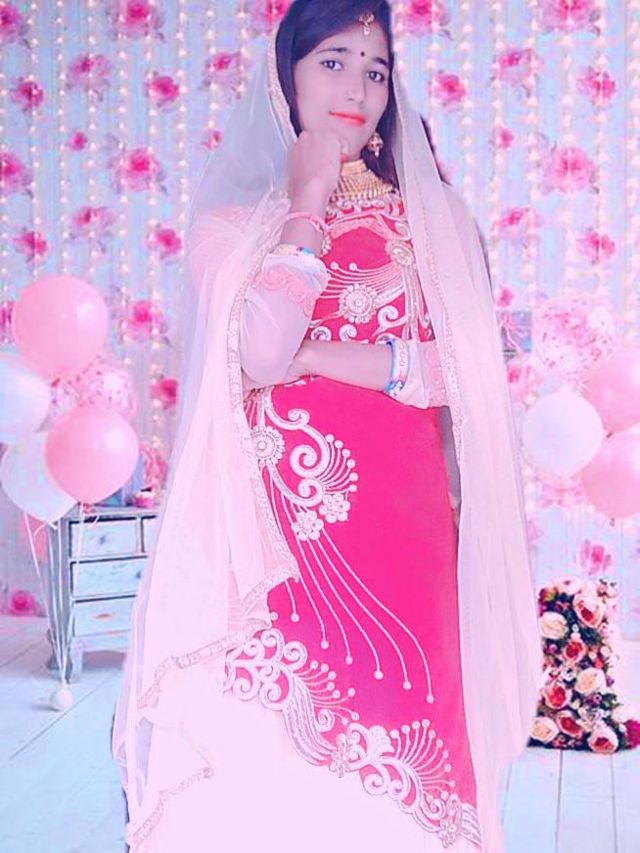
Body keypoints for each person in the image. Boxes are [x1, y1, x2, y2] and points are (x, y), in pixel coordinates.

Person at [111, 2, 541, 851]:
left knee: (404, 739)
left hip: (404, 526)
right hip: (271, 539)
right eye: (334, 62)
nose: (357, 89)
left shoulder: (436, 225)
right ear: (288, 75)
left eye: (376, 71)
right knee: (267, 762)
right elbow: (261, 352)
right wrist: (307, 201)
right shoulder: (230, 229)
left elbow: (462, 374)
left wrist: (321, 356)